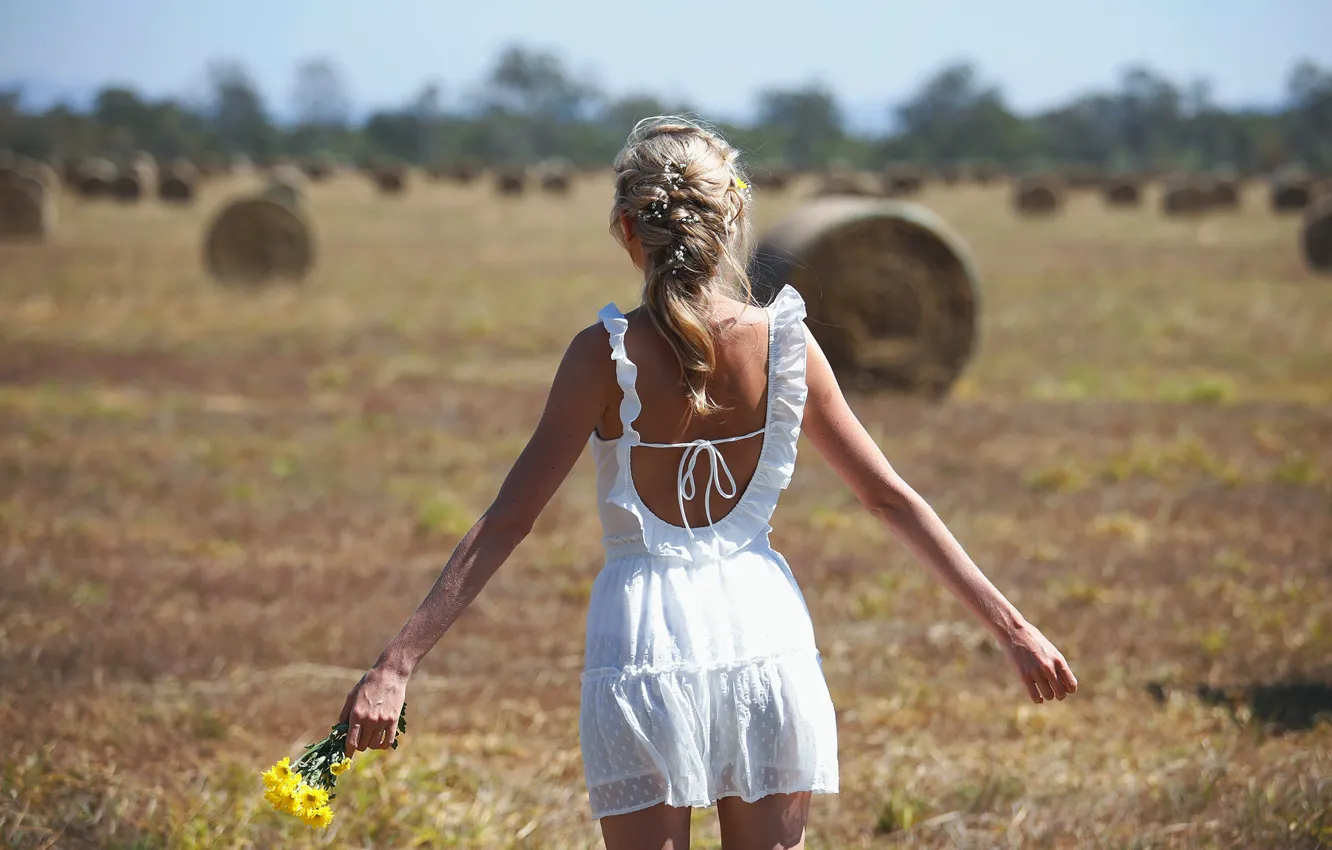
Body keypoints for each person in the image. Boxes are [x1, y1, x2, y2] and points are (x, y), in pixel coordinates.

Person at [338, 117, 1077, 850]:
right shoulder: (788, 342)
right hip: (766, 636)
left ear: (628, 230)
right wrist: (1013, 630)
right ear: (735, 220)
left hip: (642, 644)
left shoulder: (602, 355)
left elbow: (506, 522)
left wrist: (395, 664)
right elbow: (889, 498)